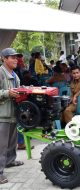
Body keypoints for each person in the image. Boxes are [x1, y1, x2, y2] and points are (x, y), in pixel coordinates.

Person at [0, 48, 24, 184]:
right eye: (12, 57)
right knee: (1, 145)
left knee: (11, 142)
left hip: (13, 114)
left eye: (16, 57)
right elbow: (5, 92)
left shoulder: (15, 74)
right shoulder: (0, 72)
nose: (16, 59)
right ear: (3, 58)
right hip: (2, 115)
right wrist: (6, 93)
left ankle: (9, 161)